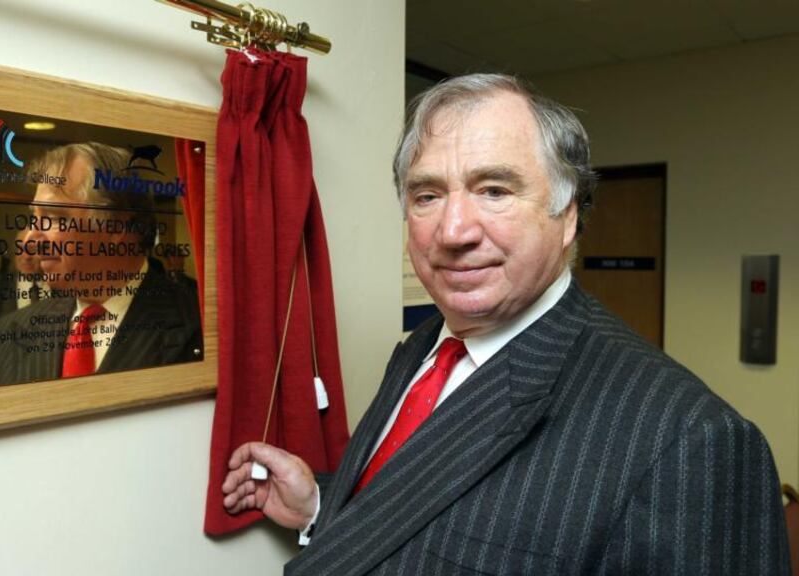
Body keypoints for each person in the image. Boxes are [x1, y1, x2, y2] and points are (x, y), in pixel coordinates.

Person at [222, 75, 789, 575]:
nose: (453, 230)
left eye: (494, 190)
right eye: (427, 195)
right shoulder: (423, 349)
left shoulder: (689, 439)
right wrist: (323, 506)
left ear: (567, 217)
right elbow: (424, 518)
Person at [0, 142, 201, 387]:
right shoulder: (8, 333)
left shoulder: (201, 326)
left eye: (53, 218)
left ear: (116, 226)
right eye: (34, 217)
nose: (29, 239)